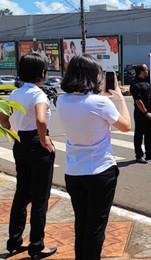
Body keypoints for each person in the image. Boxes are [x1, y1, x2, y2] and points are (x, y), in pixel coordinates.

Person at [56, 54, 131, 260]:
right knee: (96, 227)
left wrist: (103, 99)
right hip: (100, 172)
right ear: (92, 76)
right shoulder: (100, 104)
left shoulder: (61, 100)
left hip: (73, 173)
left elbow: (84, 106)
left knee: (81, 224)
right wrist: (121, 98)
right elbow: (126, 125)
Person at [0, 53, 57, 259]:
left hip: (20, 143)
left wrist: (11, 130)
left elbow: (3, 116)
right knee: (40, 198)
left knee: (22, 194)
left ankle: (14, 241)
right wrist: (43, 139)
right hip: (36, 144)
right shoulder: (38, 94)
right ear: (41, 73)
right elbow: (41, 120)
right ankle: (36, 245)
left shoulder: (15, 94)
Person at [130, 64, 151, 164]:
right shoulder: (135, 84)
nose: (148, 71)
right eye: (146, 69)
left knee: (149, 134)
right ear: (142, 71)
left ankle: (149, 153)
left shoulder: (147, 81)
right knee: (139, 135)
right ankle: (139, 155)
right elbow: (138, 101)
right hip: (141, 114)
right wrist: (146, 112)